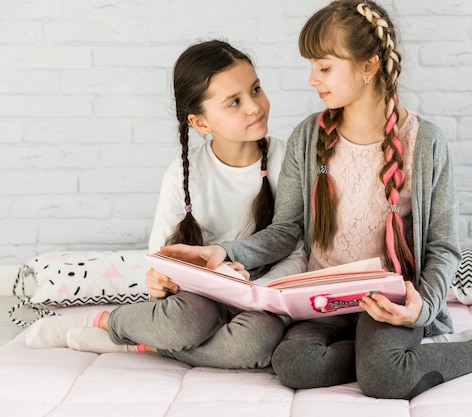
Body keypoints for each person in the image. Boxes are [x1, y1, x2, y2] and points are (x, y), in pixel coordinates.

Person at [157, 1, 472, 399]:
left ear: (368, 66)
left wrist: (423, 307)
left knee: (385, 378)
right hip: (323, 297)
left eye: (323, 67)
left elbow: (443, 247)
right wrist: (222, 252)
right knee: (293, 365)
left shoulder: (426, 142)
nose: (311, 80)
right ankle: (388, 357)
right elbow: (285, 231)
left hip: (391, 299)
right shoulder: (309, 137)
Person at [24, 39, 307, 370]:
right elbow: (163, 257)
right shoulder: (184, 174)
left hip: (262, 293)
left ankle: (142, 345)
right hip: (200, 295)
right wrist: (160, 279)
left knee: (256, 346)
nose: (254, 107)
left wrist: (261, 291)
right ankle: (109, 321)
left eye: (256, 90)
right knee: (183, 323)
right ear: (201, 123)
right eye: (234, 102)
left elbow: (295, 245)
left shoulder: (287, 159)